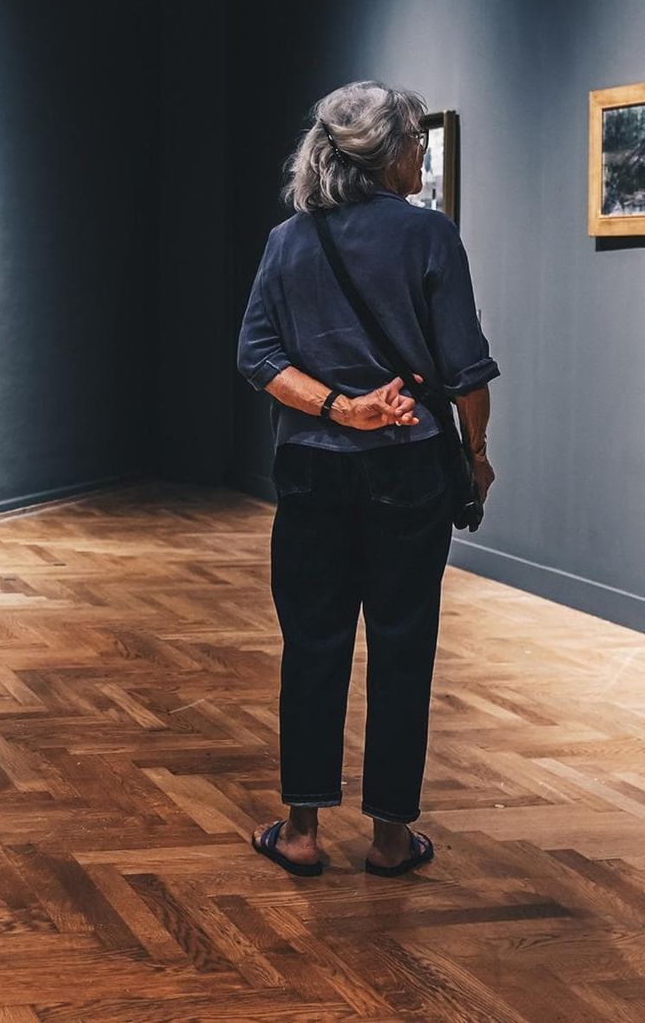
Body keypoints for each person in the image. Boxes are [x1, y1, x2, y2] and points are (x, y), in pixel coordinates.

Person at [238, 80, 499, 878]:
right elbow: (468, 373)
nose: (421, 152)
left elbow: (257, 357)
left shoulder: (288, 241)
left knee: (312, 642)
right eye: (415, 140)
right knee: (402, 647)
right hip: (411, 471)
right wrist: (478, 455)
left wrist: (337, 409)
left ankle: (302, 829)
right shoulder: (429, 236)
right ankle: (390, 838)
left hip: (313, 471)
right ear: (387, 155)